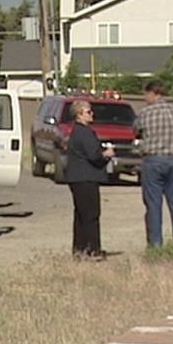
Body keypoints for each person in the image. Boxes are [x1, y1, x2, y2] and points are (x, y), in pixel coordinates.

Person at [133, 82, 173, 248]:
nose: (145, 98)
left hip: (153, 160)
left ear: (153, 93)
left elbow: (136, 130)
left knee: (153, 204)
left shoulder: (145, 113)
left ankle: (156, 243)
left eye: (146, 95)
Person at [65, 100, 115, 260]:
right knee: (91, 215)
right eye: (88, 112)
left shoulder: (77, 132)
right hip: (85, 177)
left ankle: (79, 249)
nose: (92, 114)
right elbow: (93, 156)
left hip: (77, 178)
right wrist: (106, 154)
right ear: (79, 114)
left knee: (81, 215)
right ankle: (93, 249)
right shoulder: (84, 133)